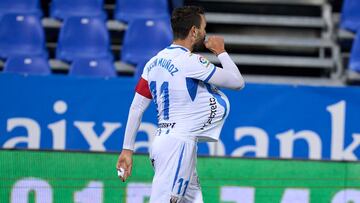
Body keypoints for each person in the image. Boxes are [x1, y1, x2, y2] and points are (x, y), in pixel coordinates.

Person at [116, 6, 245, 203]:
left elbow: (137, 108)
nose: (205, 32)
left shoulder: (153, 62)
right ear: (194, 31)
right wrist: (221, 52)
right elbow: (237, 82)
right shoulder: (191, 62)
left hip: (164, 142)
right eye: (203, 27)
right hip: (178, 144)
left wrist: (127, 149)